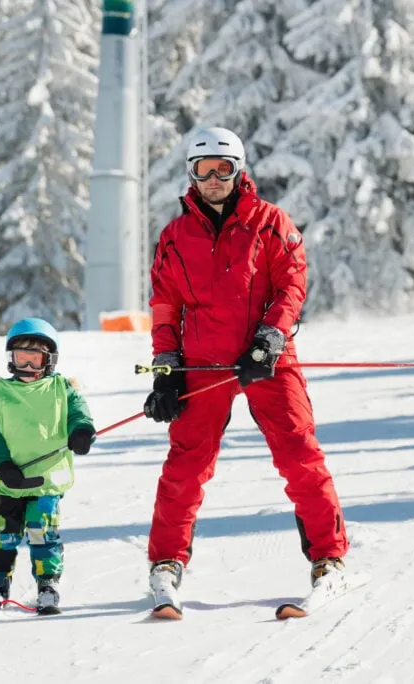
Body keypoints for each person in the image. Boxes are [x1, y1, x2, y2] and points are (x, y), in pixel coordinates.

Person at [142, 127, 349, 618]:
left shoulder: (271, 222)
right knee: (186, 464)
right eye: (204, 170)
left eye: (223, 169)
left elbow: (291, 285)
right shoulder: (175, 237)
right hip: (203, 363)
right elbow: (165, 305)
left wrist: (269, 340)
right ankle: (166, 562)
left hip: (267, 360)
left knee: (299, 454)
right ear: (191, 175)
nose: (213, 179)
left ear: (239, 172)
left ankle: (329, 559)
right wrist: (166, 368)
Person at [0, 317, 96, 615]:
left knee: (42, 530)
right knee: (4, 533)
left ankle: (47, 584)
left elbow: (79, 413)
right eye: (21, 358)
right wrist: (1, 464)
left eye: (35, 359)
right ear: (11, 359)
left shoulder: (61, 389)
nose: (28, 366)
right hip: (11, 481)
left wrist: (81, 431)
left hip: (46, 480)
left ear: (49, 360)